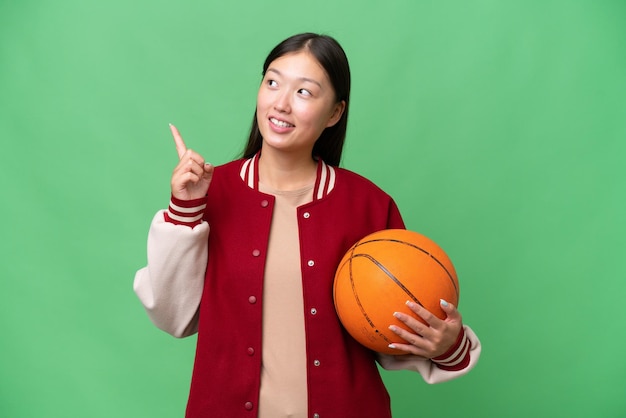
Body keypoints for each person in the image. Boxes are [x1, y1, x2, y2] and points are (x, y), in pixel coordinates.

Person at [134, 32, 481, 418]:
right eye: (272, 82)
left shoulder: (368, 206)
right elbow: (172, 317)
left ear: (335, 113)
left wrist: (447, 345)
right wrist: (185, 210)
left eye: (304, 92)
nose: (280, 103)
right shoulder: (210, 194)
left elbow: (390, 330)